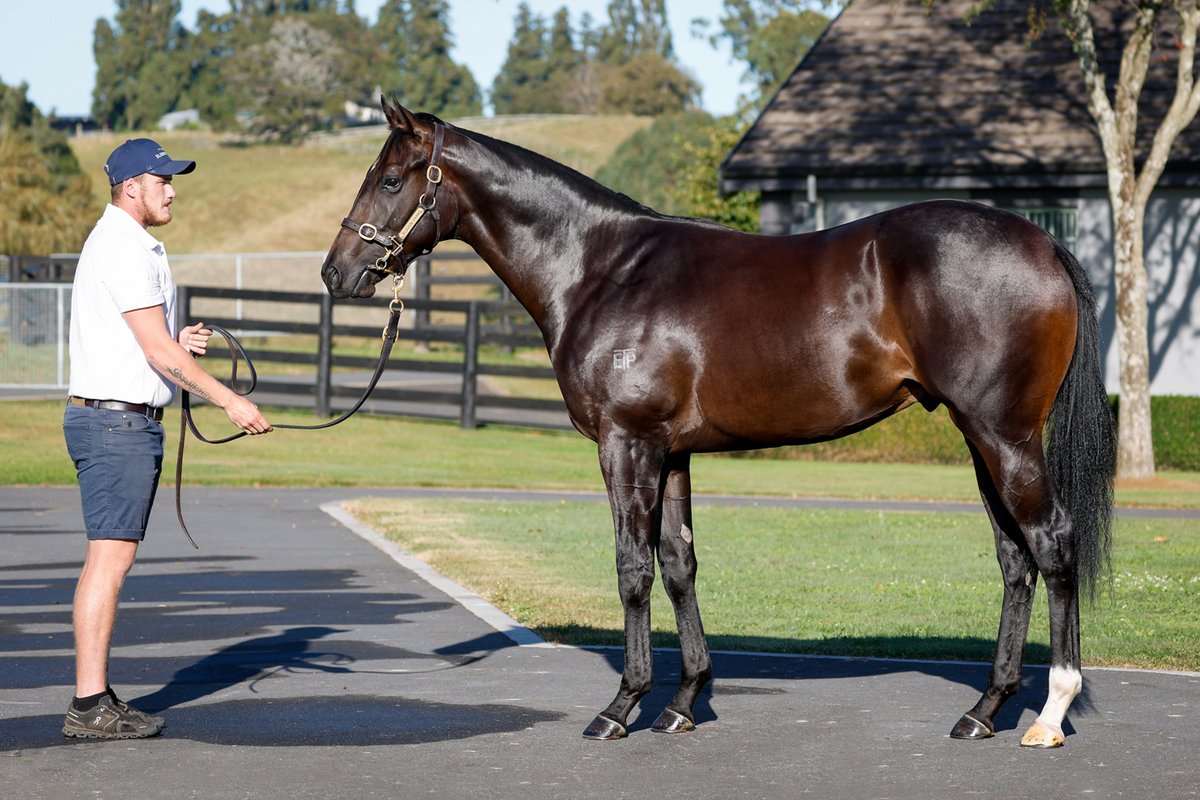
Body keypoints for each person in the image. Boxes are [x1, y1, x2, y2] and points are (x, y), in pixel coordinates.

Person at [61, 138, 272, 739]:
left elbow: (148, 339)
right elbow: (155, 352)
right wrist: (229, 399)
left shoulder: (126, 243)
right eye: (162, 181)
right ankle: (87, 706)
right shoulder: (125, 247)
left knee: (111, 558)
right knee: (109, 559)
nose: (172, 190)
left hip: (117, 421)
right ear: (132, 187)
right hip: (115, 425)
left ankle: (95, 695)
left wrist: (180, 340)